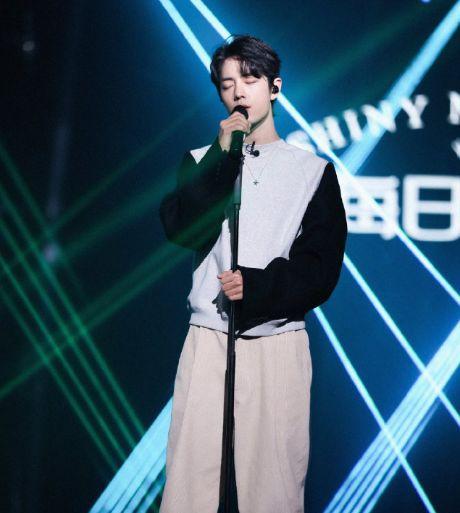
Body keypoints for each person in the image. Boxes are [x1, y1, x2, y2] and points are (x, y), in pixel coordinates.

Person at [158, 34, 347, 513]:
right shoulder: (200, 162)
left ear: (275, 87)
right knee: (189, 488)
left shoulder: (312, 172)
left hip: (276, 340)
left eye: (250, 79)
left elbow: (320, 268)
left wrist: (258, 285)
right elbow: (183, 228)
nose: (239, 92)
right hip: (208, 336)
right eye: (227, 84)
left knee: (273, 490)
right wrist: (222, 157)